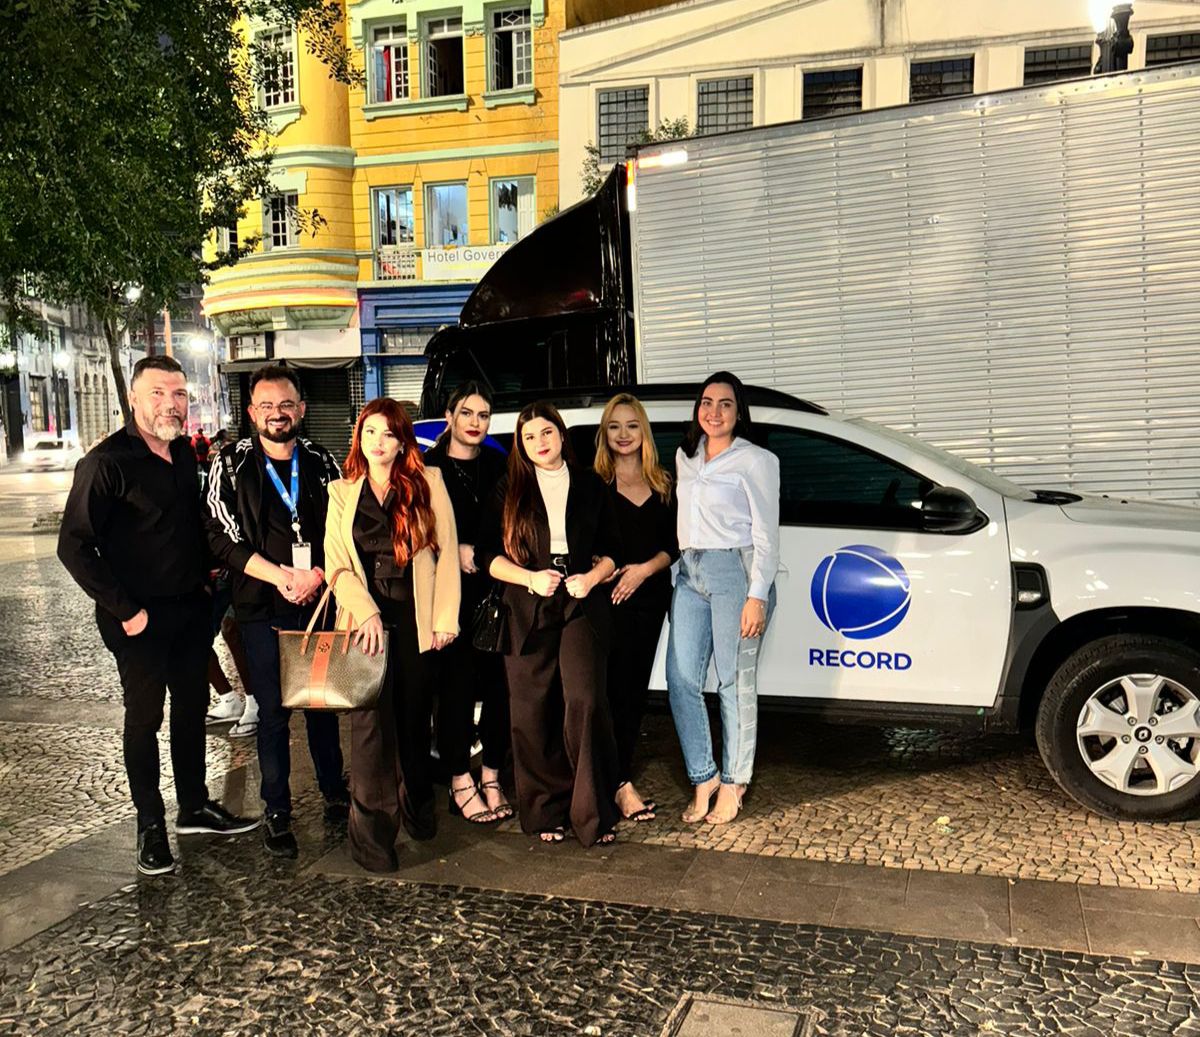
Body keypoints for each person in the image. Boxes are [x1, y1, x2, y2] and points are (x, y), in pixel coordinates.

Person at [58, 356, 259, 876]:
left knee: (191, 709)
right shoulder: (105, 464)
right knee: (144, 719)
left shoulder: (184, 455)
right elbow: (73, 547)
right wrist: (125, 611)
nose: (171, 404)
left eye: (179, 394)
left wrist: (210, 581)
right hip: (136, 619)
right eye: (158, 393)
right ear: (133, 399)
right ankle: (150, 824)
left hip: (188, 610)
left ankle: (193, 806)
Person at [205, 364, 349, 858]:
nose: (277, 413)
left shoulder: (322, 460)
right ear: (252, 412)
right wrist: (282, 577)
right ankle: (277, 808)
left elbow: (344, 527)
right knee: (272, 711)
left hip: (319, 602)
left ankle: (334, 791)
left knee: (321, 704)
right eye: (266, 405)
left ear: (301, 409)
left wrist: (317, 575)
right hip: (260, 605)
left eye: (286, 404)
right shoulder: (231, 463)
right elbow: (220, 534)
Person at [475, 401, 623, 847]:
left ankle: (591, 814)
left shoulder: (591, 484)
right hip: (527, 603)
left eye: (546, 433)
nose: (539, 443)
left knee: (585, 700)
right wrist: (529, 578)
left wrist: (592, 578)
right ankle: (544, 811)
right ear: (520, 445)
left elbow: (614, 550)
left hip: (580, 603)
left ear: (561, 434)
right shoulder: (509, 488)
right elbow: (487, 557)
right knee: (531, 709)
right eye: (529, 437)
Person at [324, 398, 461, 872]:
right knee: (368, 733)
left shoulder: (428, 483)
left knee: (412, 723)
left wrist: (445, 619)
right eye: (369, 432)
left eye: (387, 433)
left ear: (402, 441)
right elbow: (335, 565)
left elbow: (446, 554)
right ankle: (372, 840)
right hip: (365, 624)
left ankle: (417, 809)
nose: (377, 442)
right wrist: (364, 613)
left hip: (416, 618)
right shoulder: (341, 492)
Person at [668, 372, 779, 826]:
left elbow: (767, 535)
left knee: (734, 682)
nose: (714, 412)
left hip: (734, 571)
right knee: (681, 679)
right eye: (707, 402)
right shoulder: (686, 457)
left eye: (725, 404)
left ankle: (734, 782)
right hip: (689, 573)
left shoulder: (756, 460)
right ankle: (704, 776)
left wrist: (757, 596)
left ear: (738, 411)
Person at [423, 382, 513, 824]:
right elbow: (415, 529)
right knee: (455, 691)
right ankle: (459, 778)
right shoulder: (428, 468)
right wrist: (450, 548)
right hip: (449, 594)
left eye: (483, 415)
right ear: (449, 417)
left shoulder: (500, 464)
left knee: (500, 688)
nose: (475, 423)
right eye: (466, 413)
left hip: (497, 591)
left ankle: (492, 776)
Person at [594, 393, 679, 824]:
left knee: (632, 697)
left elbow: (673, 546)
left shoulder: (664, 483)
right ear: (604, 434)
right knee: (604, 696)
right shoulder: (593, 484)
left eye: (631, 426)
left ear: (643, 431)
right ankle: (613, 783)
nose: (623, 434)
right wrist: (604, 567)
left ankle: (618, 779)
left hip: (648, 600)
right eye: (614, 426)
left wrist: (642, 571)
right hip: (606, 602)